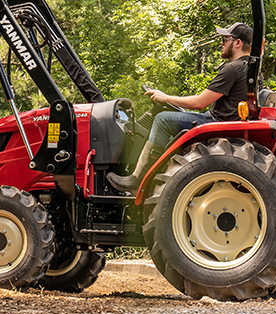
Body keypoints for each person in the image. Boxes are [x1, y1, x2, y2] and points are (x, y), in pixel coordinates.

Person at [107, 22, 254, 191]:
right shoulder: (250, 68)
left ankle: (138, 179)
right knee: (172, 115)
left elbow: (200, 102)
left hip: (215, 122)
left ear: (237, 43)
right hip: (224, 120)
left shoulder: (233, 69)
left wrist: (166, 97)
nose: (222, 44)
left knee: (162, 120)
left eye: (225, 40)